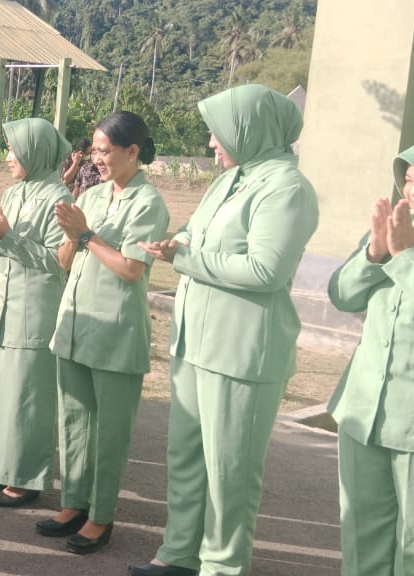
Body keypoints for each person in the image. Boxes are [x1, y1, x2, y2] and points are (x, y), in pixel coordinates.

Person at [130, 85, 319, 576]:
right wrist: (180, 242)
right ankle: (178, 554)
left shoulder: (286, 188)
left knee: (230, 472)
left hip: (242, 352)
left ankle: (222, 566)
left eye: (219, 133)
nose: (212, 144)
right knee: (187, 457)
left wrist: (186, 258)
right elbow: (193, 229)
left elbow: (266, 271)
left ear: (249, 129)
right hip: (196, 342)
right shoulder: (230, 180)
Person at [42, 110, 169, 555]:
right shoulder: (92, 196)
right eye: (93, 149)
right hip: (76, 324)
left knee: (110, 431)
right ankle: (73, 503)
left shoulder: (149, 203)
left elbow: (132, 270)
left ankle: (101, 515)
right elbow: (64, 262)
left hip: (115, 331)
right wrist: (69, 235)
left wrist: (87, 235)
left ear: (132, 152)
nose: (96, 158)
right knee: (73, 422)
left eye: (104, 150)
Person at [325, 137, 414, 576]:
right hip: (364, 412)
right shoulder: (396, 230)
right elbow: (342, 295)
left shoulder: (408, 243)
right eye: (408, 179)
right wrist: (374, 252)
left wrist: (407, 257)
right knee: (361, 534)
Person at [0, 117, 72, 507]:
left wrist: (5, 236)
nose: (9, 158)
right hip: (4, 306)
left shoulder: (60, 198)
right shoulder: (14, 192)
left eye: (14, 150)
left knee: (28, 398)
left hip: (35, 309)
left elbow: (58, 261)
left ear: (35, 152)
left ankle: (26, 478)